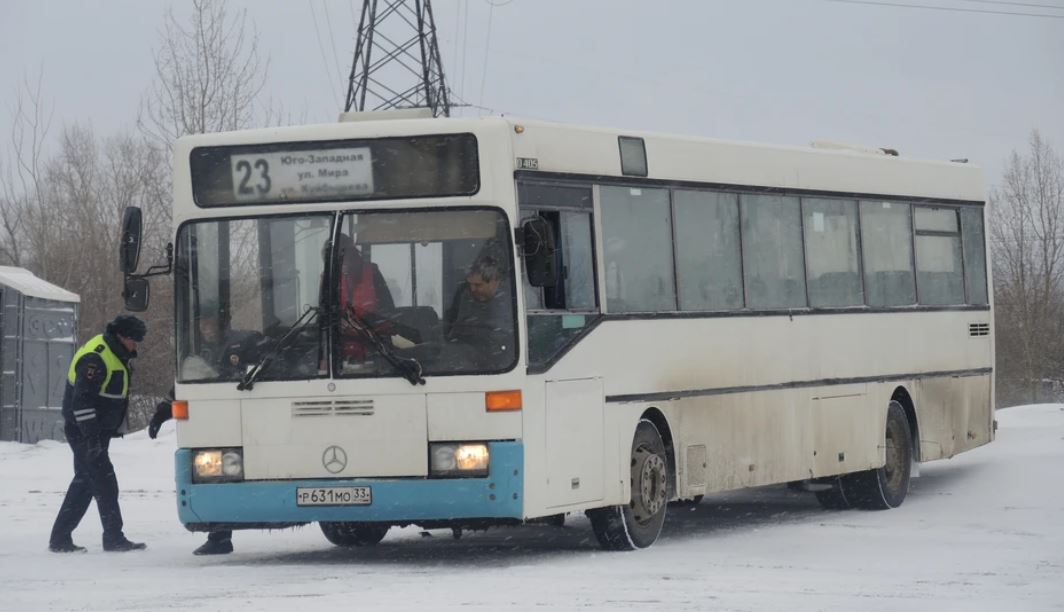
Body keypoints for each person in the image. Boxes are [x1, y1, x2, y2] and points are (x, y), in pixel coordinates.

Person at [48, 315, 148, 553]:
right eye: (134, 340)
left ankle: (60, 539)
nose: (136, 346)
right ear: (122, 336)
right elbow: (81, 402)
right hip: (83, 430)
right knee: (104, 481)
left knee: (85, 482)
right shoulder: (96, 358)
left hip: (97, 431)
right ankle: (113, 537)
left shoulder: (116, 353)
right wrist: (91, 439)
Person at [149, 308, 236, 555]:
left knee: (225, 475)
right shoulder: (200, 353)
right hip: (212, 421)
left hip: (237, 415)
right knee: (217, 475)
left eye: (211, 326)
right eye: (203, 326)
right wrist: (163, 411)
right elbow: (185, 386)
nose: (206, 331)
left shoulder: (240, 345)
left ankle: (220, 535)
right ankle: (219, 536)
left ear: (222, 326)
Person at [334, 234, 396, 361]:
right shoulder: (329, 279)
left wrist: (366, 325)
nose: (341, 265)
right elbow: (324, 317)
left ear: (352, 254)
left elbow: (388, 310)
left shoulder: (371, 272)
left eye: (342, 256)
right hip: (340, 348)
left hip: (377, 344)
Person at [444, 255, 514, 368]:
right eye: (470, 284)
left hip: (500, 361)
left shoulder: (512, 299)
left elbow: (503, 337)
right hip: (465, 355)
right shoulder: (466, 295)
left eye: (478, 285)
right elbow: (457, 327)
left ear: (494, 282)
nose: (472, 289)